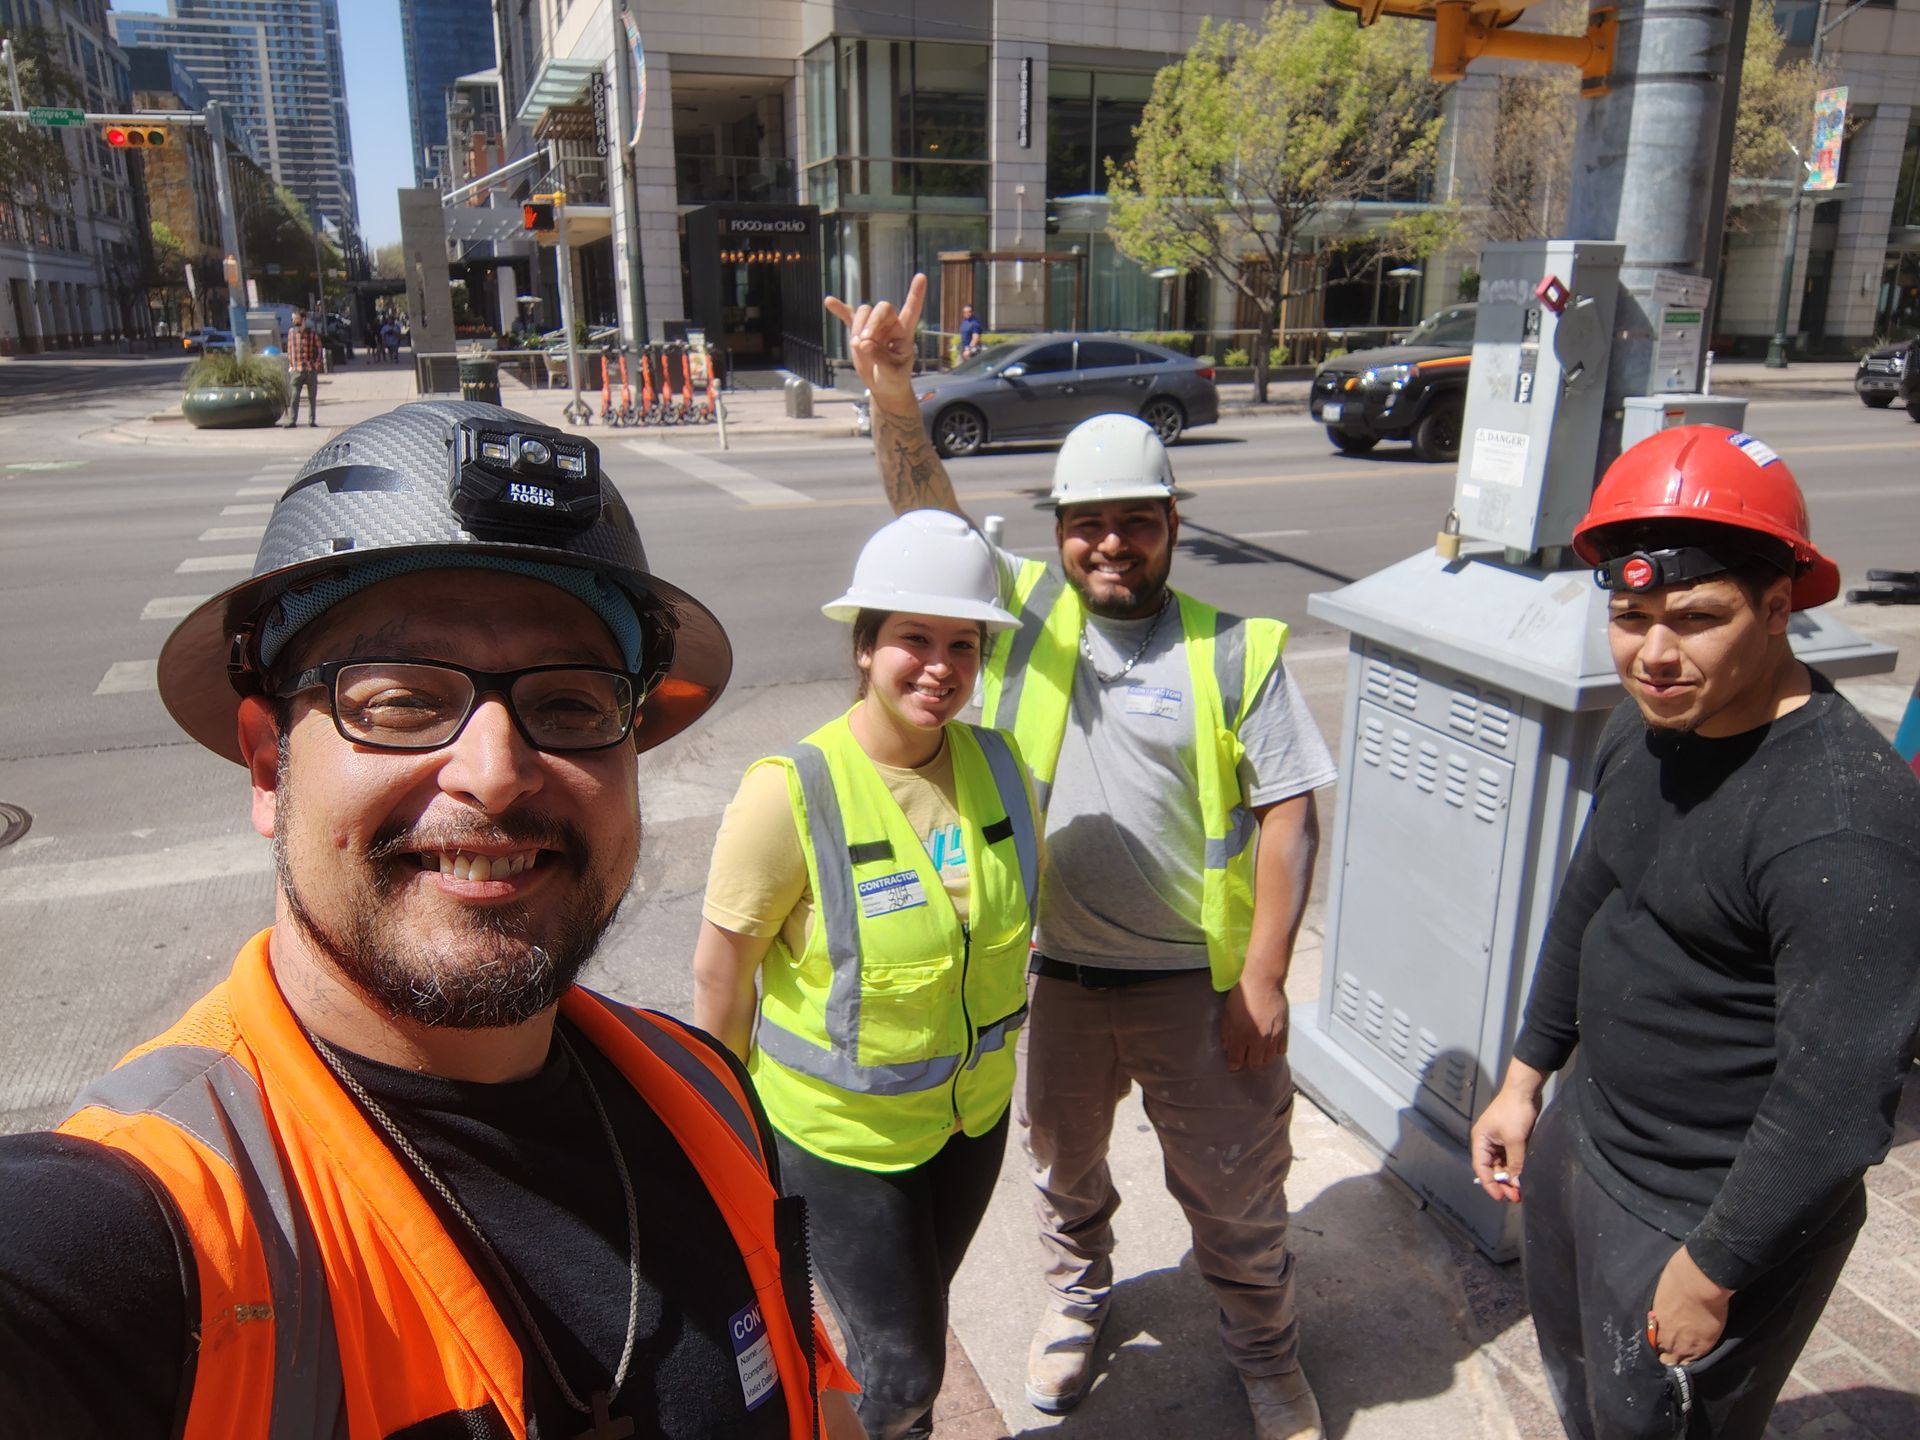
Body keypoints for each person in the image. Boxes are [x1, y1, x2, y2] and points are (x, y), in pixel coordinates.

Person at [0, 401, 863, 1439]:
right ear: (271, 768)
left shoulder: (708, 1089)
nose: (496, 774)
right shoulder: (150, 1225)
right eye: (402, 700)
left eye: (574, 704)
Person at [826, 276, 1337, 1440]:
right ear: (1060, 531)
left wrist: (1264, 975)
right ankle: (1078, 1302)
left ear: (1171, 525)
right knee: (1063, 1173)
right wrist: (894, 391)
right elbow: (931, 515)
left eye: (1136, 520)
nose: (1111, 541)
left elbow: (1290, 811)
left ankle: (1265, 1350)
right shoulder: (1015, 624)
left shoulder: (1235, 648)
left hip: (1196, 991)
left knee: (1236, 1188)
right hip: (1048, 977)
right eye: (1088, 522)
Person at [1469, 425, 1920, 1440]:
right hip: (1587, 1140)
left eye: (1695, 618)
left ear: (1777, 608)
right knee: (1585, 1396)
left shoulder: (1841, 820)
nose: (1654, 654)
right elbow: (1595, 897)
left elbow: (1838, 1102)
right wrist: (1525, 1077)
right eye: (1629, 619)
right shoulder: (1649, 726)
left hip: (1704, 1207)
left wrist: (1715, 1267)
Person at [692, 510, 1041, 1440]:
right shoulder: (790, 791)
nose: (940, 666)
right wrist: (726, 1143)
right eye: (913, 639)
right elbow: (720, 983)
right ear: (863, 646)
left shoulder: (1000, 769)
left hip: (970, 1121)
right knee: (904, 1366)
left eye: (962, 643)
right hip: (837, 1140)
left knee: (911, 1320)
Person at [285, 307, 322, 427]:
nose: (294, 321)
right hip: (296, 369)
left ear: (303, 319)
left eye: (296, 319)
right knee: (294, 396)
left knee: (312, 396)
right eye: (293, 319)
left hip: (310, 369)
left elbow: (319, 349)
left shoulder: (312, 334)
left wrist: (316, 363)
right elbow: (289, 349)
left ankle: (312, 420)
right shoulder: (291, 332)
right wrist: (291, 365)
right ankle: (292, 420)